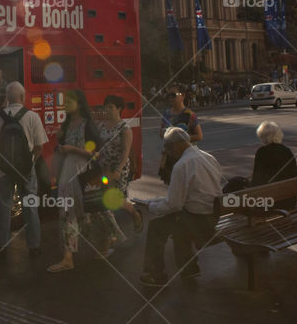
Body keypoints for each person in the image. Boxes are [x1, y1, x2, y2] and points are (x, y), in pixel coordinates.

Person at [134, 126, 222, 286]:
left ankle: (155, 274)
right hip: (215, 215)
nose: (167, 152)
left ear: (176, 145)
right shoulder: (209, 157)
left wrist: (151, 206)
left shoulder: (182, 165)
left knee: (157, 227)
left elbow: (174, 204)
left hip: (199, 219)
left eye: (167, 147)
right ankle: (189, 268)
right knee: (179, 223)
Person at [0, 81, 48, 256]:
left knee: (4, 206)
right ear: (22, 97)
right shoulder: (32, 116)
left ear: (7, 98)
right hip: (26, 170)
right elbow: (39, 147)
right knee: (30, 206)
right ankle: (34, 246)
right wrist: (30, 162)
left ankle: (2, 246)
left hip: (2, 169)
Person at [47, 89, 102, 273]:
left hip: (82, 172)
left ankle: (103, 242)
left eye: (70, 101)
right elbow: (60, 148)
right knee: (66, 211)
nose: (66, 104)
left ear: (79, 103)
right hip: (67, 171)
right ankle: (68, 257)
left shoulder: (88, 125)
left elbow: (96, 154)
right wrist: (60, 142)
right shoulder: (67, 123)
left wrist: (73, 149)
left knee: (86, 212)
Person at [97, 95, 142, 232]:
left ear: (119, 109)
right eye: (106, 107)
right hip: (104, 168)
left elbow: (126, 152)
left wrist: (118, 170)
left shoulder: (124, 128)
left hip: (118, 169)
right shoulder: (101, 126)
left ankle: (136, 214)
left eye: (111, 107)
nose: (108, 110)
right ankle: (110, 234)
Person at [250, 121, 297, 209]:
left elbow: (257, 180)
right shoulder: (287, 151)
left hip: (270, 203)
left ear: (263, 137)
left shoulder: (262, 152)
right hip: (289, 201)